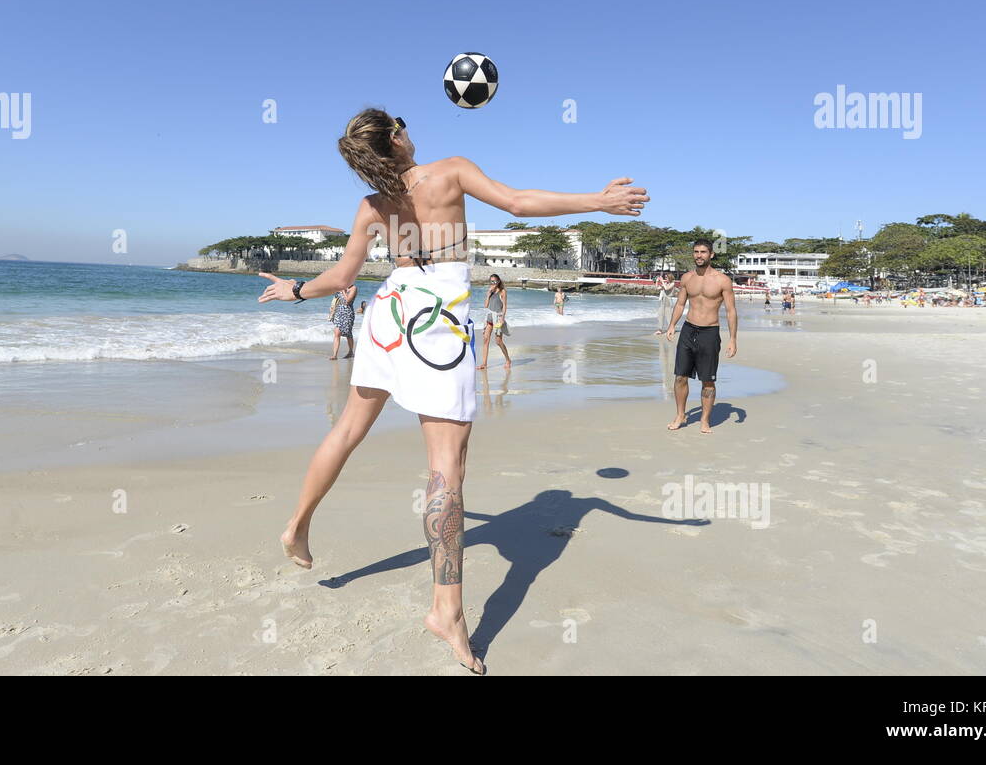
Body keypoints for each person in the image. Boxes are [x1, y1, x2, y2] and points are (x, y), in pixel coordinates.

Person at [257, 108, 648, 675]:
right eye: (403, 125)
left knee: (346, 430)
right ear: (397, 138)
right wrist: (597, 200)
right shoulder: (449, 171)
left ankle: (297, 524)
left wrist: (294, 290)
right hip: (435, 321)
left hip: (388, 313)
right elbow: (517, 203)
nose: (411, 131)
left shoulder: (371, 206)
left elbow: (343, 281)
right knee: (447, 471)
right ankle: (447, 611)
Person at [664, 238, 738, 434]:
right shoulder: (687, 278)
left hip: (709, 333)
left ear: (711, 254)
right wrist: (672, 325)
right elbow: (680, 304)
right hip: (688, 330)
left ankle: (705, 420)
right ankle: (680, 415)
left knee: (708, 381)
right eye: (696, 252)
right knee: (680, 376)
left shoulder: (722, 280)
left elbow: (731, 311)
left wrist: (732, 339)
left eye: (703, 252)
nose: (699, 255)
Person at [479, 274, 512, 370]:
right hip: (489, 317)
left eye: (494, 281)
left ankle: (508, 360)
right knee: (485, 340)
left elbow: (505, 306)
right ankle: (484, 364)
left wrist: (502, 318)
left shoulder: (502, 291)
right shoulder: (490, 291)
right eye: (491, 281)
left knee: (498, 341)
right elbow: (485, 305)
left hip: (497, 317)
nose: (493, 283)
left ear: (498, 281)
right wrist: (488, 294)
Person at [328, 283, 357, 359]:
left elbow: (348, 301)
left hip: (347, 313)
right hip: (339, 312)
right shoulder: (341, 287)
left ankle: (351, 352)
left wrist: (343, 291)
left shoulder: (353, 288)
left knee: (348, 333)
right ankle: (334, 355)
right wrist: (332, 310)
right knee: (337, 332)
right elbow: (335, 299)